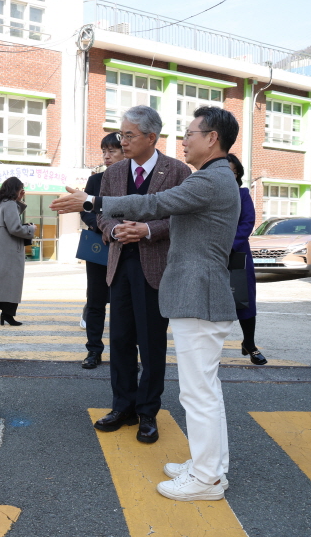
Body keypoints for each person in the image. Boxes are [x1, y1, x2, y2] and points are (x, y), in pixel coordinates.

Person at [53, 105, 242, 501]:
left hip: (198, 294)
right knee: (205, 389)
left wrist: (93, 201)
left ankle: (206, 479)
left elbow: (154, 206)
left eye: (191, 133)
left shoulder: (209, 179)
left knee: (198, 393)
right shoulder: (215, 177)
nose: (185, 139)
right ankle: (211, 468)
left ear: (212, 138)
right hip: (195, 292)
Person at [85, 106, 191, 444]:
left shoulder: (177, 171)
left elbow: (182, 218)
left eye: (129, 135)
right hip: (119, 265)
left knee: (151, 342)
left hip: (156, 267)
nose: (122, 141)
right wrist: (115, 231)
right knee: (120, 340)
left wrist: (146, 229)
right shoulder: (113, 172)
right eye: (121, 134)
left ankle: (148, 411)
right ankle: (123, 406)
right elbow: (102, 214)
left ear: (151, 137)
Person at [80, 133, 124, 369]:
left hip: (126, 247)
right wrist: (102, 226)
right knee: (96, 302)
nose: (107, 156)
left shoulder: (132, 180)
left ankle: (125, 353)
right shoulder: (95, 180)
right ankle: (94, 350)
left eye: (112, 151)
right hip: (99, 248)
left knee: (122, 304)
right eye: (104, 151)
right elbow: (86, 210)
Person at [0, 177, 35, 326]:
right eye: (20, 189)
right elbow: (15, 228)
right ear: (16, 189)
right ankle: (3, 313)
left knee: (5, 282)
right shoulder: (9, 204)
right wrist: (30, 229)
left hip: (0, 248)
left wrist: (18, 199)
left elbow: (10, 220)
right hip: (10, 248)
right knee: (12, 283)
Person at [228, 153, 267, 365]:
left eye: (231, 171)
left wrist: (229, 246)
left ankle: (249, 344)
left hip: (238, 254)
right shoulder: (209, 194)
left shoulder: (243, 195)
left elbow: (247, 222)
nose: (227, 175)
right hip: (211, 255)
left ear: (237, 175)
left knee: (244, 300)